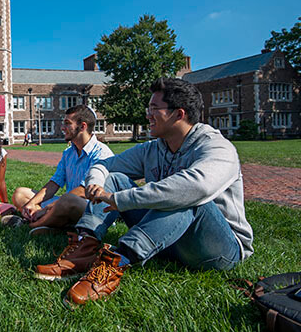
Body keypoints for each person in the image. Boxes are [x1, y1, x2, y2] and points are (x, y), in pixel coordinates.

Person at [37, 78, 254, 305]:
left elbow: (197, 187)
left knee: (187, 198)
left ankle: (116, 261)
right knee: (116, 179)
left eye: (154, 109)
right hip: (168, 239)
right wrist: (96, 183)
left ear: (178, 114)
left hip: (217, 249)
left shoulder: (216, 147)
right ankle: (85, 246)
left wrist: (121, 200)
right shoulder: (154, 147)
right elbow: (104, 166)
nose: (147, 115)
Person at [8, 105, 113, 236]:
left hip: (92, 210)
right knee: (20, 194)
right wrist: (32, 203)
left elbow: (82, 191)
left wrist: (46, 208)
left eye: (67, 124)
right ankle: (55, 223)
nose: (63, 128)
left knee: (67, 200)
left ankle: (30, 224)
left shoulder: (101, 153)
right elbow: (55, 183)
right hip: (65, 203)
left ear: (83, 126)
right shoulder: (68, 153)